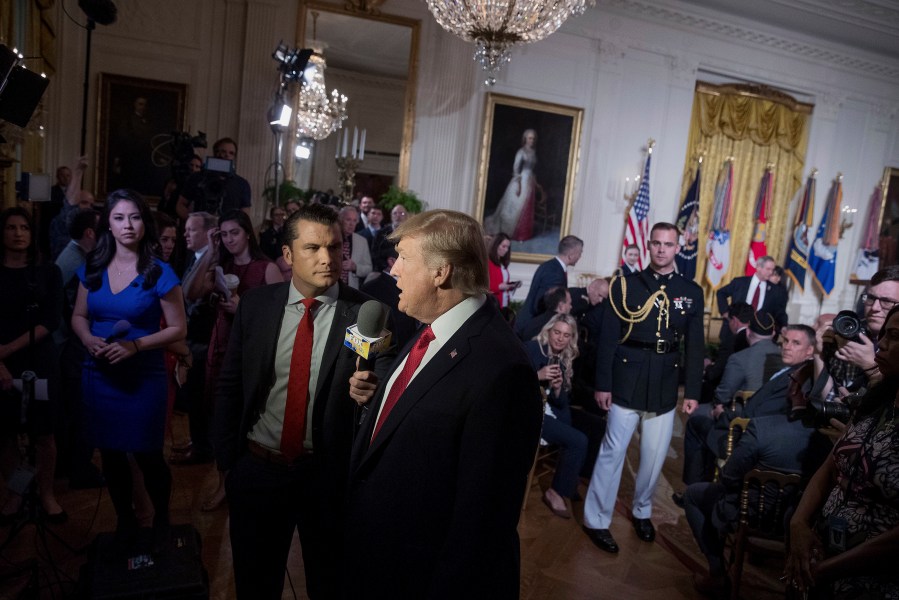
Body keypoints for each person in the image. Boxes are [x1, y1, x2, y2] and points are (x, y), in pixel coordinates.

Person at [343, 209, 543, 598]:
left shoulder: (503, 370)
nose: (393, 270)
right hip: (379, 558)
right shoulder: (430, 330)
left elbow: (481, 522)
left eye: (403, 258)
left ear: (441, 272)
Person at [213, 203, 394, 600]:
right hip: (259, 470)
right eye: (313, 248)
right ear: (288, 255)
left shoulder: (366, 312)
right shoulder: (257, 306)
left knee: (330, 584)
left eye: (335, 247)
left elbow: (382, 379)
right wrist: (230, 464)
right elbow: (230, 385)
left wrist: (371, 389)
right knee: (255, 584)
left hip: (326, 479)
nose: (327, 259)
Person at [70, 190, 187, 549]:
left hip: (142, 377)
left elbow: (178, 329)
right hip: (99, 373)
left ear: (144, 222)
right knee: (111, 454)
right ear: (108, 222)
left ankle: (162, 519)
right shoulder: (92, 267)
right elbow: (78, 316)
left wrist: (136, 344)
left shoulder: (159, 272)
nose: (127, 225)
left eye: (134, 217)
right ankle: (125, 521)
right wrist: (88, 338)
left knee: (147, 454)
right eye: (119, 218)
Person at [582, 222, 704, 554]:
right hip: (626, 377)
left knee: (653, 457)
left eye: (669, 244)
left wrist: (692, 391)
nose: (662, 249)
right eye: (657, 244)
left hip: (665, 382)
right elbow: (608, 338)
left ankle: (642, 512)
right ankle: (596, 520)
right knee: (612, 453)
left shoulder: (690, 292)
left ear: (678, 248)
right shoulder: (625, 286)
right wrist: (603, 384)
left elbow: (695, 347)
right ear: (648, 246)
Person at [784, 304, 899, 599]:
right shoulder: (877, 399)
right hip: (822, 548)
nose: (881, 343)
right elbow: (830, 465)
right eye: (884, 334)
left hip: (873, 579)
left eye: (895, 336)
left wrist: (829, 569)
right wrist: (799, 524)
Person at [183, 211, 280, 508]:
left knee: (247, 415)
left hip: (252, 349)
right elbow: (190, 292)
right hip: (220, 345)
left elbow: (279, 319)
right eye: (223, 235)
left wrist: (243, 311)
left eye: (234, 233)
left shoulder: (267, 268)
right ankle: (223, 481)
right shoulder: (221, 265)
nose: (229, 239)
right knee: (219, 415)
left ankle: (247, 480)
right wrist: (211, 252)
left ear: (247, 233)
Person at [684, 412, 823, 596]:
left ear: (795, 389)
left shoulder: (761, 428)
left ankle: (717, 573)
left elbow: (729, 476)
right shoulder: (824, 440)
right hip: (794, 523)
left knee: (692, 495)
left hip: (750, 516)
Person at [0, 208, 66, 525]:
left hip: (38, 358)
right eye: (11, 227)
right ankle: (14, 493)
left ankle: (47, 493)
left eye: (24, 227)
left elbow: (51, 320)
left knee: (44, 433)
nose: (18, 233)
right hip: (0, 363)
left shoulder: (47, 272)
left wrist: (9, 349)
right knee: (6, 434)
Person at [525, 314, 602, 519]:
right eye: (557, 332)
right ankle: (556, 491)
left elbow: (560, 402)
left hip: (550, 409)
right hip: (530, 411)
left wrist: (558, 389)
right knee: (578, 440)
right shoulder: (532, 349)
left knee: (591, 428)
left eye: (566, 335)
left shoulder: (565, 358)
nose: (560, 338)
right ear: (548, 331)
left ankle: (569, 477)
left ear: (571, 339)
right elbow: (512, 384)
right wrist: (537, 376)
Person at [516, 235, 583, 332]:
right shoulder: (554, 273)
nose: (580, 257)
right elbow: (545, 305)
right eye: (580, 253)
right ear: (571, 255)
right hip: (533, 328)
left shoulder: (550, 266)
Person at [176, 137, 252, 219]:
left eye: (231, 153)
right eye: (223, 151)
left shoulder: (241, 184)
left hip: (227, 229)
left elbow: (245, 211)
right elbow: (181, 204)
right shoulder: (197, 177)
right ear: (215, 153)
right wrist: (193, 221)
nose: (227, 155)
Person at [484, 129, 539, 241]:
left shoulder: (533, 152)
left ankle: (524, 234)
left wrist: (534, 181)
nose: (531, 140)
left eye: (533, 138)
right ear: (525, 139)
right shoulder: (521, 152)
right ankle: (511, 232)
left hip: (530, 181)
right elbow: (516, 168)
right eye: (529, 138)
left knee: (526, 208)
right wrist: (519, 185)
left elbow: (532, 169)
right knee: (515, 207)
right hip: (521, 180)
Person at [716, 255, 788, 339]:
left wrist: (784, 326)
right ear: (758, 267)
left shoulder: (775, 290)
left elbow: (780, 311)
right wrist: (725, 312)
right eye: (768, 269)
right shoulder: (740, 282)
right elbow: (721, 293)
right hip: (734, 331)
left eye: (772, 270)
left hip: (757, 335)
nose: (771, 272)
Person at [337, 205, 372, 289]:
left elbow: (368, 268)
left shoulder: (362, 241)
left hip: (349, 289)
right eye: (348, 219)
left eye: (354, 220)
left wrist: (355, 267)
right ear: (341, 220)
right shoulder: (331, 237)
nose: (351, 224)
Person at [488, 232, 519, 309]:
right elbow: (482, 286)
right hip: (493, 305)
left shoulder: (502, 264)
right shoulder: (488, 263)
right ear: (495, 245)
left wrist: (511, 286)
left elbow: (502, 284)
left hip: (504, 304)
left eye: (508, 247)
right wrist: (499, 287)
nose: (506, 250)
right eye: (504, 246)